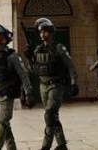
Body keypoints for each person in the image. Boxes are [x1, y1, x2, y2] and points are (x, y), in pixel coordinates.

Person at [32, 18, 78, 150]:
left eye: (45, 32)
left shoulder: (59, 48)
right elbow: (34, 69)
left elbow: (70, 66)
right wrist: (30, 58)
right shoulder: (38, 49)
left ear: (51, 33)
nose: (42, 34)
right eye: (41, 32)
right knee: (53, 116)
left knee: (49, 114)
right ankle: (62, 145)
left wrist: (74, 83)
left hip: (56, 85)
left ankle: (45, 146)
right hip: (43, 85)